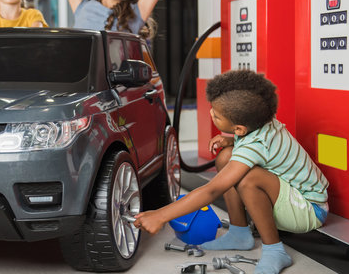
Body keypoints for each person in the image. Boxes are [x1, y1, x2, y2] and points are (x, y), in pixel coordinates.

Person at [134, 70, 329, 274]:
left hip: (310, 209)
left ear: (239, 129)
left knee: (248, 180)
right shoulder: (260, 121)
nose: (211, 114)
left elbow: (212, 191)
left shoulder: (255, 145)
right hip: (290, 195)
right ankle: (239, 233)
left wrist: (161, 215)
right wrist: (231, 140)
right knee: (226, 157)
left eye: (216, 115)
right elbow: (259, 147)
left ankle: (274, 250)